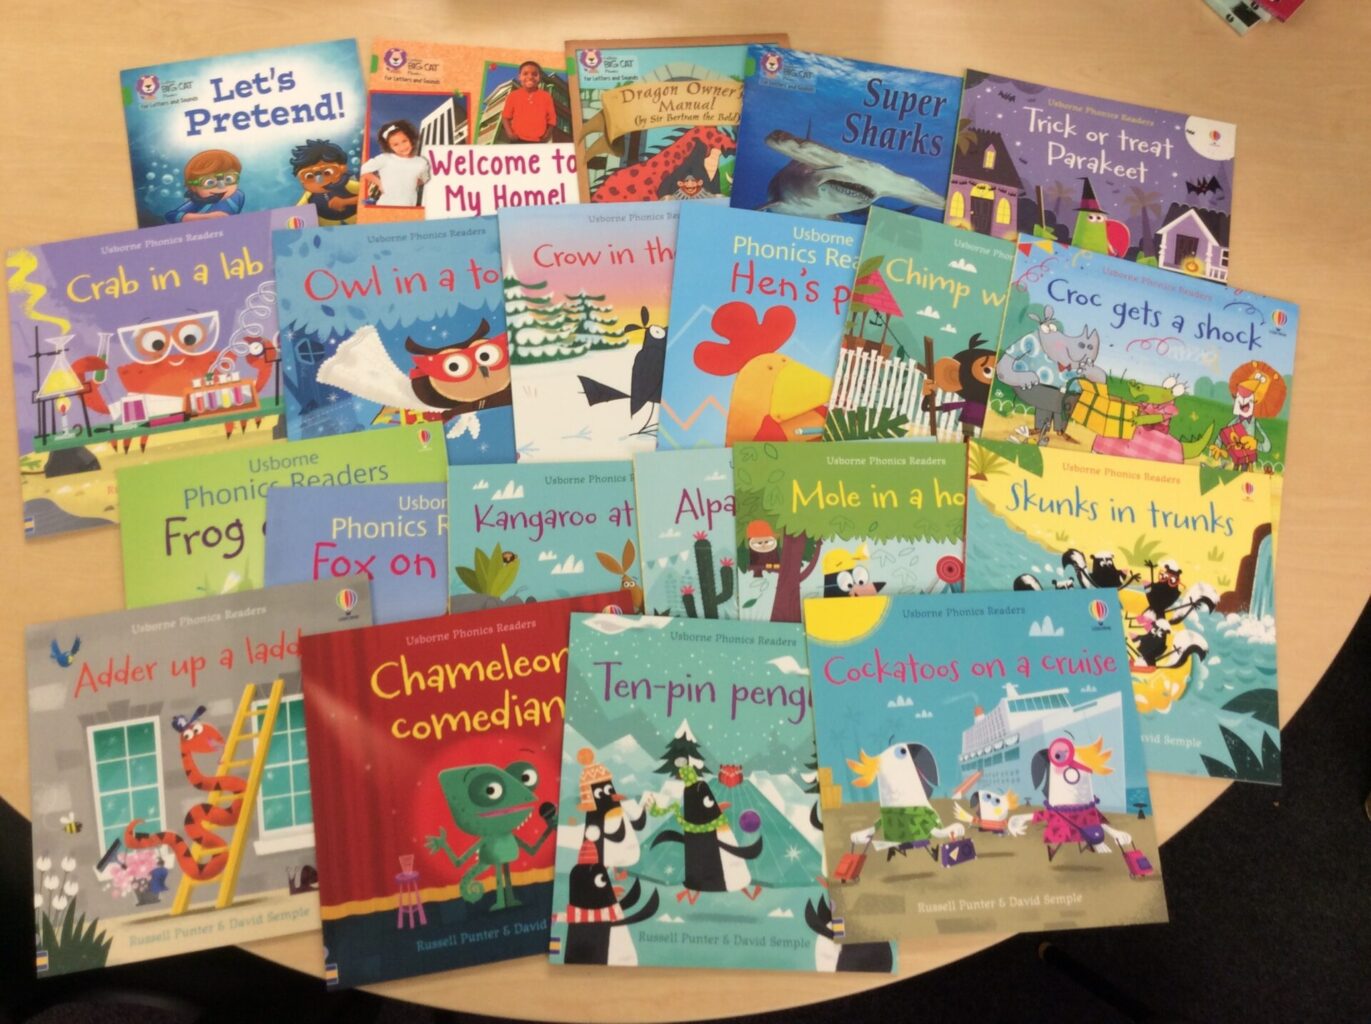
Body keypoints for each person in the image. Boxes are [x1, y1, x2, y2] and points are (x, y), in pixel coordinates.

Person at [360, 119, 431, 207]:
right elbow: (364, 170)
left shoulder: (421, 162)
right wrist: (380, 183)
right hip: (385, 206)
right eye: (395, 144)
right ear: (389, 147)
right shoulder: (385, 158)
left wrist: (410, 183)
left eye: (404, 141)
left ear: (410, 139)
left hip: (409, 207)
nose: (402, 147)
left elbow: (425, 178)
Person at [291, 139, 359, 225]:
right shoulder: (309, 196)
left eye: (327, 172)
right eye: (309, 176)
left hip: (356, 219)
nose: (319, 180)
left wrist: (346, 201)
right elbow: (295, 214)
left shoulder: (348, 184)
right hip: (328, 226)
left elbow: (370, 196)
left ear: (342, 169)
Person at [166, 150, 245, 223]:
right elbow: (171, 215)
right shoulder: (199, 202)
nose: (221, 186)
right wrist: (205, 217)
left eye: (228, 179)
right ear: (193, 187)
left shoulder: (238, 195)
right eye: (210, 182)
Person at [500, 61, 558, 143]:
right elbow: (505, 117)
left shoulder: (546, 97)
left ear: (539, 77)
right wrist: (510, 134)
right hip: (517, 141)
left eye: (534, 74)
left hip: (538, 141)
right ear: (519, 77)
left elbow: (552, 119)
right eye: (525, 74)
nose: (530, 77)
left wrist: (547, 135)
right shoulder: (513, 96)